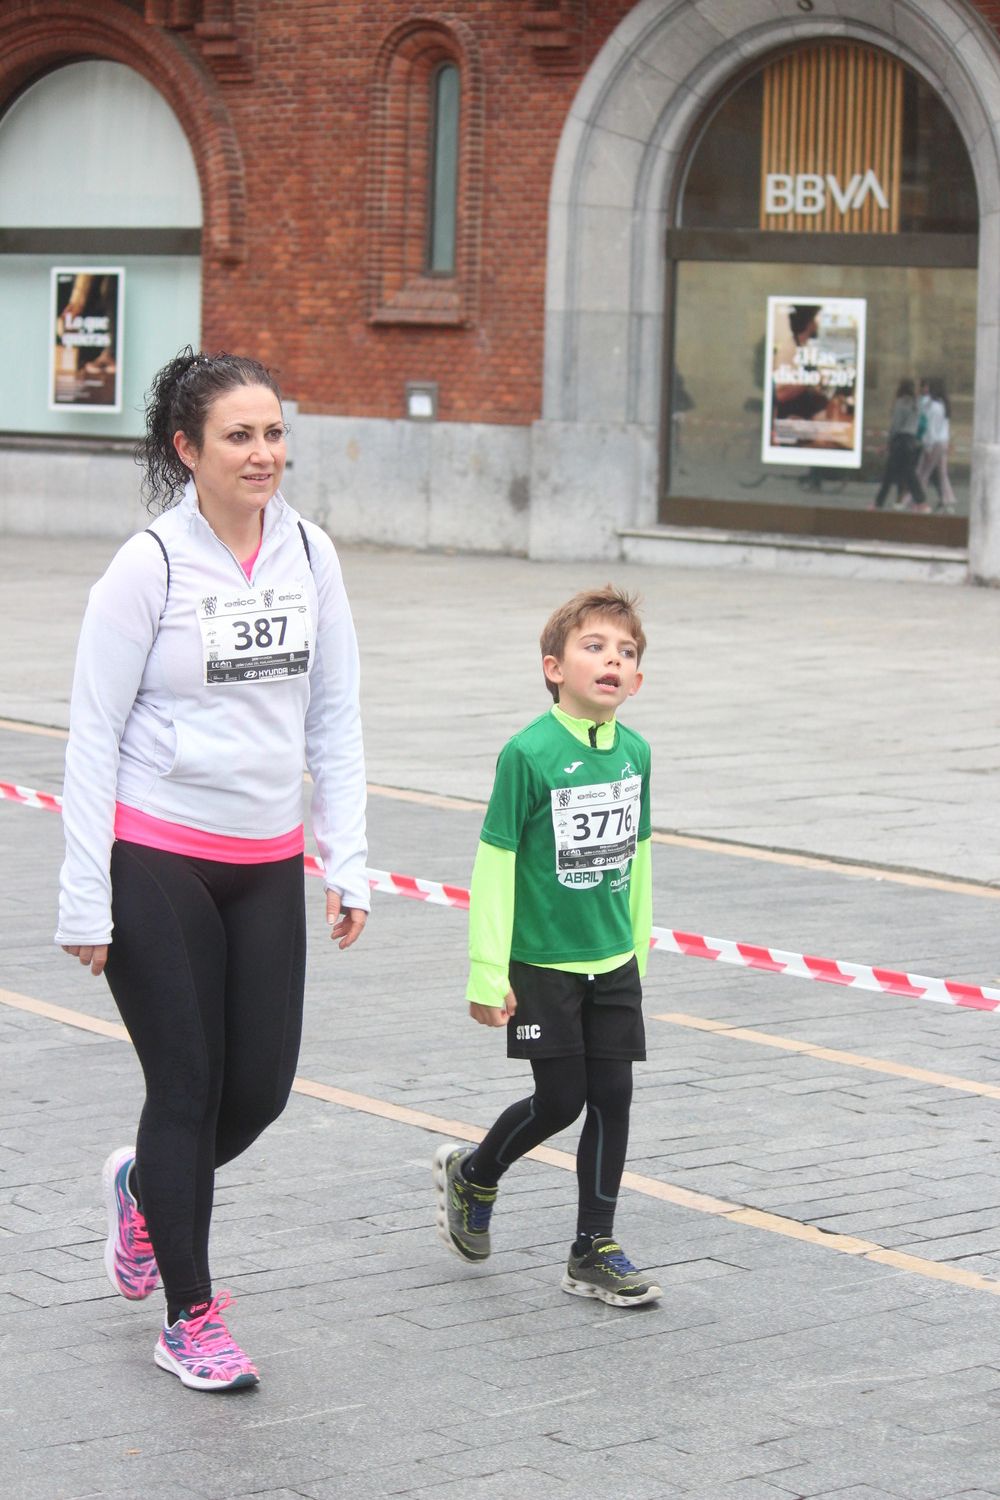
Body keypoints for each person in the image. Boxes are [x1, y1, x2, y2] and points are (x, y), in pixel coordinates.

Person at [55, 347, 370, 1391]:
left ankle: (146, 1189)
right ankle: (189, 1316)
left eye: (275, 432)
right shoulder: (148, 566)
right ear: (187, 450)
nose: (263, 452)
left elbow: (334, 716)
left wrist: (347, 860)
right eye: (239, 435)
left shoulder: (312, 557)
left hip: (268, 856)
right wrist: (83, 898)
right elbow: (92, 734)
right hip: (158, 854)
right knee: (186, 1083)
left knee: (263, 1088)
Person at [433, 587, 661, 1307]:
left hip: (612, 959)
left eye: (626, 653)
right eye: (595, 647)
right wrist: (485, 968)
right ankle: (476, 1173)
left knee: (614, 1095)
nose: (612, 661)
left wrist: (636, 953)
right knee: (561, 1099)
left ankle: (594, 1246)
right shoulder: (527, 754)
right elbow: (495, 863)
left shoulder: (636, 753)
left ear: (638, 680)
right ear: (554, 667)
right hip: (540, 963)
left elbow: (641, 856)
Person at [870, 379, 926, 512]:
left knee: (889, 474)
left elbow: (895, 426)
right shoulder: (916, 404)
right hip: (911, 440)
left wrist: (888, 444)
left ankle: (878, 503)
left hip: (900, 440)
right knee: (909, 473)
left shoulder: (900, 403)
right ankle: (921, 502)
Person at [916, 377, 958, 514]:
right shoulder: (943, 404)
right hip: (942, 441)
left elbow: (932, 428)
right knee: (941, 472)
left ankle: (918, 499)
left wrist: (928, 446)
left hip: (935, 442)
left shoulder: (934, 406)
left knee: (924, 471)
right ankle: (948, 498)